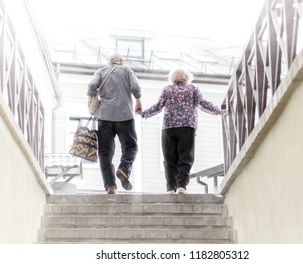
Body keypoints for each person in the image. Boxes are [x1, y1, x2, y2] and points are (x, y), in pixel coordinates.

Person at [137, 68, 226, 194]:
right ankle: (182, 186)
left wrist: (144, 113)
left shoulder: (166, 89)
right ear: (187, 78)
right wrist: (218, 111)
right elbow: (203, 103)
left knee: (169, 158)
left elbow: (158, 106)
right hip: (187, 126)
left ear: (172, 78)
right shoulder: (193, 89)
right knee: (185, 157)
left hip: (169, 127)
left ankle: (170, 188)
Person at [88, 53, 142, 194]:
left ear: (109, 62)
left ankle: (111, 186)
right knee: (131, 147)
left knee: (105, 153)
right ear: (121, 61)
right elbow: (135, 86)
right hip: (124, 115)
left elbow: (92, 85)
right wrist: (138, 100)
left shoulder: (101, 71)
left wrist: (90, 100)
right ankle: (124, 168)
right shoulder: (126, 70)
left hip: (105, 116)